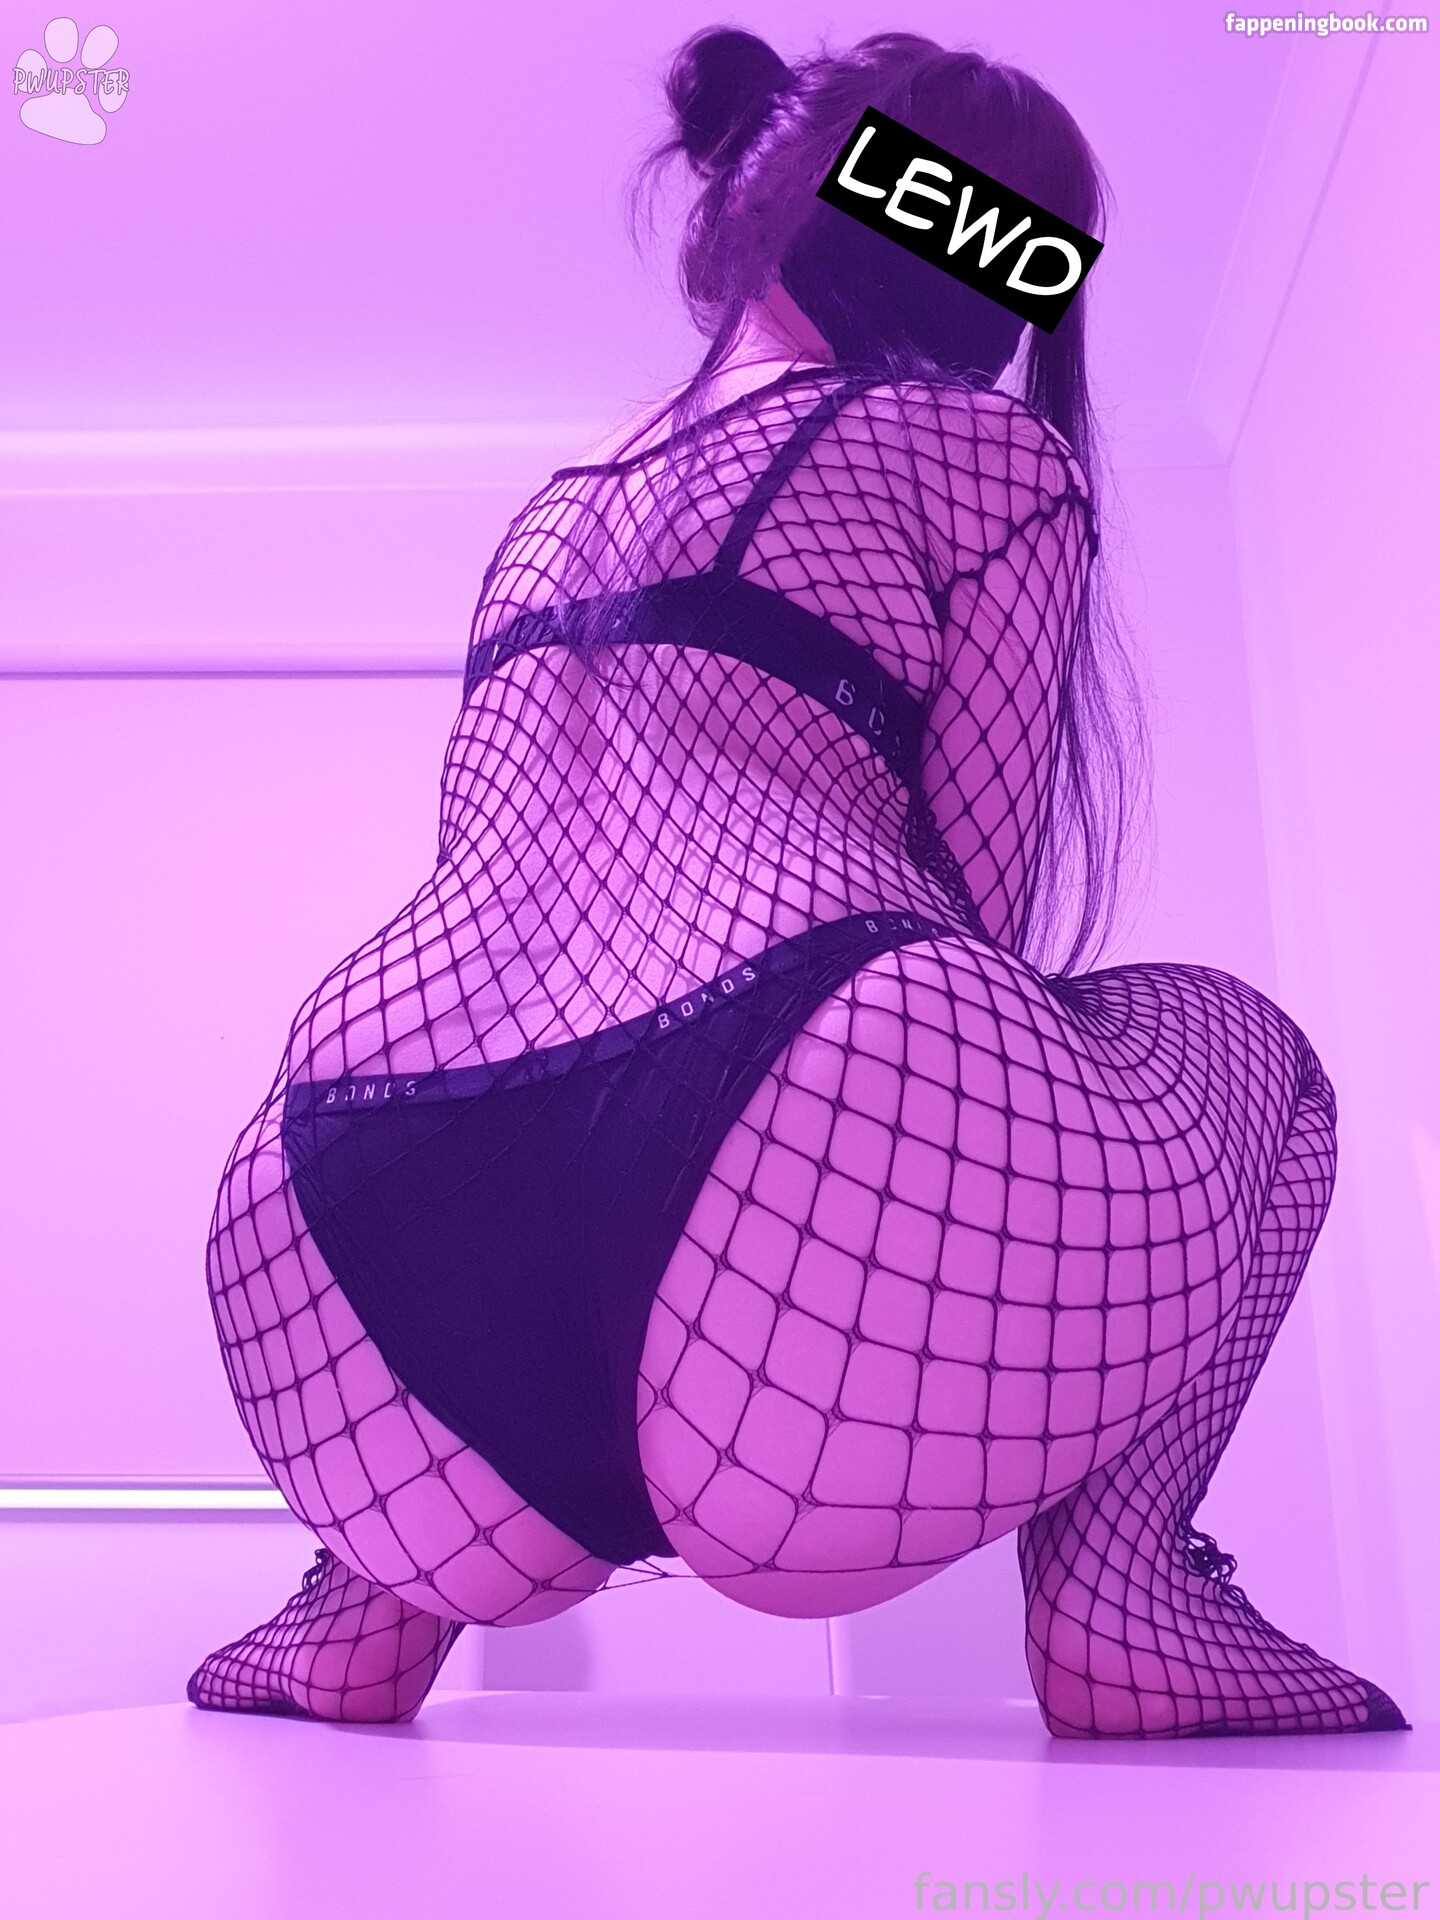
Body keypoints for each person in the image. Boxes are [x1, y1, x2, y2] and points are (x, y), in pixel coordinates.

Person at [187, 27, 1407, 1737]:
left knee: (502, 1041)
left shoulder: (554, 511)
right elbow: (970, 908)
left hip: (333, 1236)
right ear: (998, 269)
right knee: (1241, 1051)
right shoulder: (984, 455)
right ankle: (1126, 1593)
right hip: (800, 1141)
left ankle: (353, 1609)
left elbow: (514, 879)